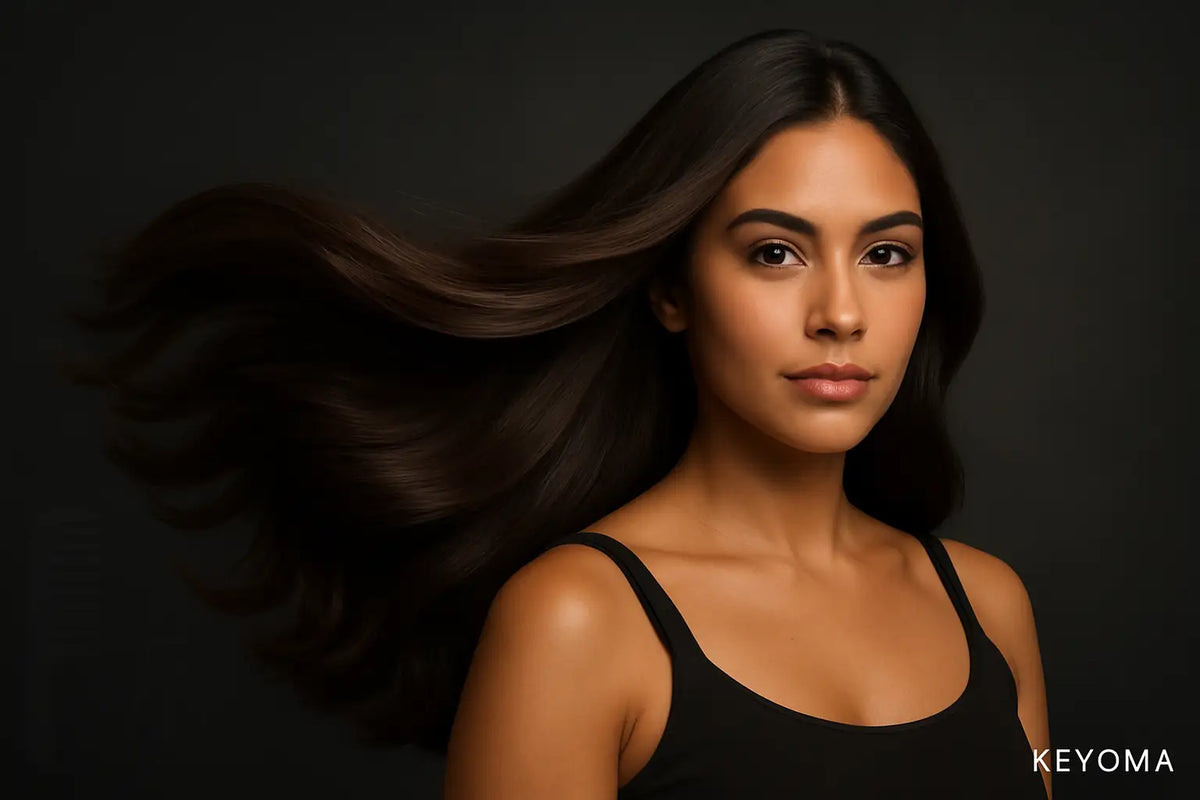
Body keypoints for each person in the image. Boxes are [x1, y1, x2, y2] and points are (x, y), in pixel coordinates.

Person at [66, 28, 1050, 799]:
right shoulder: (578, 620)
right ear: (671, 288)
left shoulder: (989, 607)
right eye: (773, 252)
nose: (841, 312)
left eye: (887, 254)